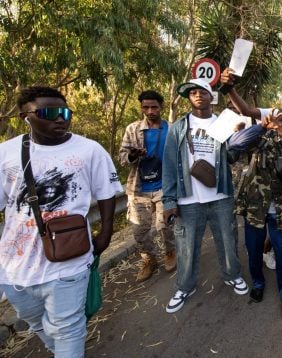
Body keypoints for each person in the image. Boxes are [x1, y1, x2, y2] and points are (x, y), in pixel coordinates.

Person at [0, 86, 122, 356]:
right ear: (25, 116)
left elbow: (106, 193)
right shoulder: (5, 154)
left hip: (70, 260)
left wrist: (105, 234)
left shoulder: (90, 150)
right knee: (37, 323)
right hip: (15, 268)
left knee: (68, 327)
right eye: (50, 113)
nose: (60, 119)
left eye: (65, 112)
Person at [162, 79, 251, 313]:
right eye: (192, 92)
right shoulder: (178, 128)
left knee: (227, 239)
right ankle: (185, 286)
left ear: (211, 96)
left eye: (202, 91)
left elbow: (232, 158)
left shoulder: (225, 122)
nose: (197, 95)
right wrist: (169, 201)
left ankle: (232, 275)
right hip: (188, 198)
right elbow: (170, 164)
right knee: (186, 246)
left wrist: (237, 139)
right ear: (188, 98)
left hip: (220, 194)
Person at [233, 108, 282, 324]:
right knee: (254, 250)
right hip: (254, 208)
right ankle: (258, 284)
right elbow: (235, 143)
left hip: (280, 210)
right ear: (275, 121)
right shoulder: (261, 139)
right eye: (281, 119)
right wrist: (261, 126)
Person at [119, 90, 176, 282]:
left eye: (154, 107)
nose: (150, 111)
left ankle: (170, 252)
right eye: (145, 107)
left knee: (165, 226)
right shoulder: (132, 129)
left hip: (165, 186)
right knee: (139, 230)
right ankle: (149, 259)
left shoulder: (172, 129)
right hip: (139, 188)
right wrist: (133, 155)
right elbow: (122, 157)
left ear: (161, 107)